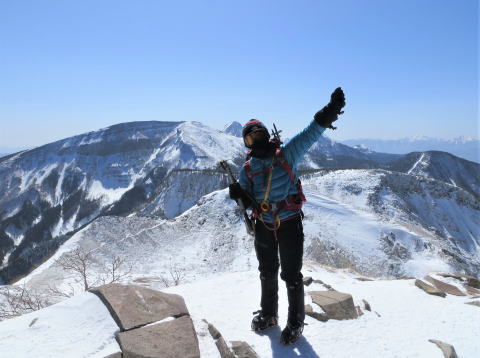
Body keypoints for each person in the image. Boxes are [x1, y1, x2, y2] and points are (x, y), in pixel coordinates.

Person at [228, 87, 346, 345]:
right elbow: (247, 203)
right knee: (267, 270)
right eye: (250, 138)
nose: (256, 140)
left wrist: (331, 111)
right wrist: (237, 193)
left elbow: (310, 134)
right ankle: (270, 315)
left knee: (291, 274)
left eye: (259, 134)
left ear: (267, 135)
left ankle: (295, 323)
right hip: (264, 224)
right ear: (246, 144)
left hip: (289, 222)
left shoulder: (286, 154)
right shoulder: (247, 169)